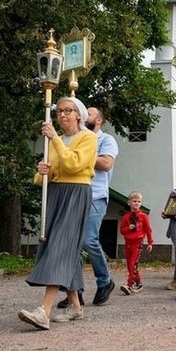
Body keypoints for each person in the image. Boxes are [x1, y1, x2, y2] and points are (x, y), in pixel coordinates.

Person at [18, 97, 96, 329]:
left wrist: (55, 141)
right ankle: (76, 308)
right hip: (56, 193)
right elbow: (45, 175)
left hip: (76, 192)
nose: (62, 115)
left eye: (67, 111)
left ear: (78, 115)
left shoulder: (87, 138)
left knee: (60, 246)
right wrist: (42, 172)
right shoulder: (56, 141)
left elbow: (73, 165)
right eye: (59, 111)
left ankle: (45, 310)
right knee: (65, 249)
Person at [57, 107, 118, 308]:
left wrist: (82, 156)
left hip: (96, 195)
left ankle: (105, 281)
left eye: (89, 113)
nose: (84, 116)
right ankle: (76, 292)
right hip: (74, 193)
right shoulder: (76, 138)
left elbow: (107, 163)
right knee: (72, 243)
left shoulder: (106, 140)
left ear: (99, 120)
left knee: (88, 239)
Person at [119, 191, 153, 295]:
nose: (137, 203)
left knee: (133, 264)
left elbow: (148, 229)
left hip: (138, 243)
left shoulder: (143, 216)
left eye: (139, 201)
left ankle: (129, 285)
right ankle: (138, 283)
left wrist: (150, 242)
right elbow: (122, 230)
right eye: (134, 201)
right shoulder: (126, 217)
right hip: (128, 243)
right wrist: (128, 229)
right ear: (129, 203)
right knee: (130, 265)